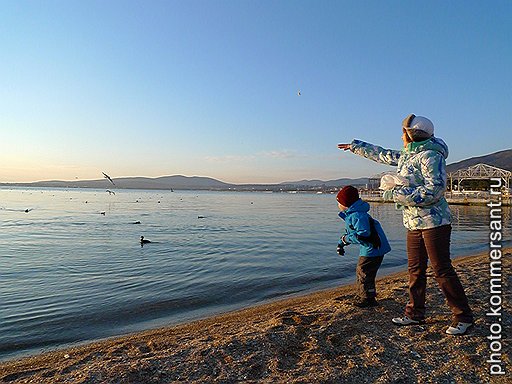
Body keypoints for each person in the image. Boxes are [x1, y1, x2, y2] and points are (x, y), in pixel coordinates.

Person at [338, 114, 473, 335]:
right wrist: (356, 147)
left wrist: (396, 193)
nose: (401, 137)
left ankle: (463, 316)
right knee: (415, 270)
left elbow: (435, 190)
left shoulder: (431, 156)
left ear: (410, 135)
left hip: (434, 222)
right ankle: (415, 314)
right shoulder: (409, 155)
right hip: (413, 222)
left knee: (441, 269)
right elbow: (383, 154)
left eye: (403, 133)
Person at [336, 185, 391, 308]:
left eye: (339, 202)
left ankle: (367, 298)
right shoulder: (354, 214)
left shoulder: (357, 215)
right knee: (365, 272)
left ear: (346, 203)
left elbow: (363, 234)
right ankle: (364, 294)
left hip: (373, 249)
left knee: (364, 272)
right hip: (373, 248)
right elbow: (351, 233)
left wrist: (346, 239)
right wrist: (342, 242)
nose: (338, 205)